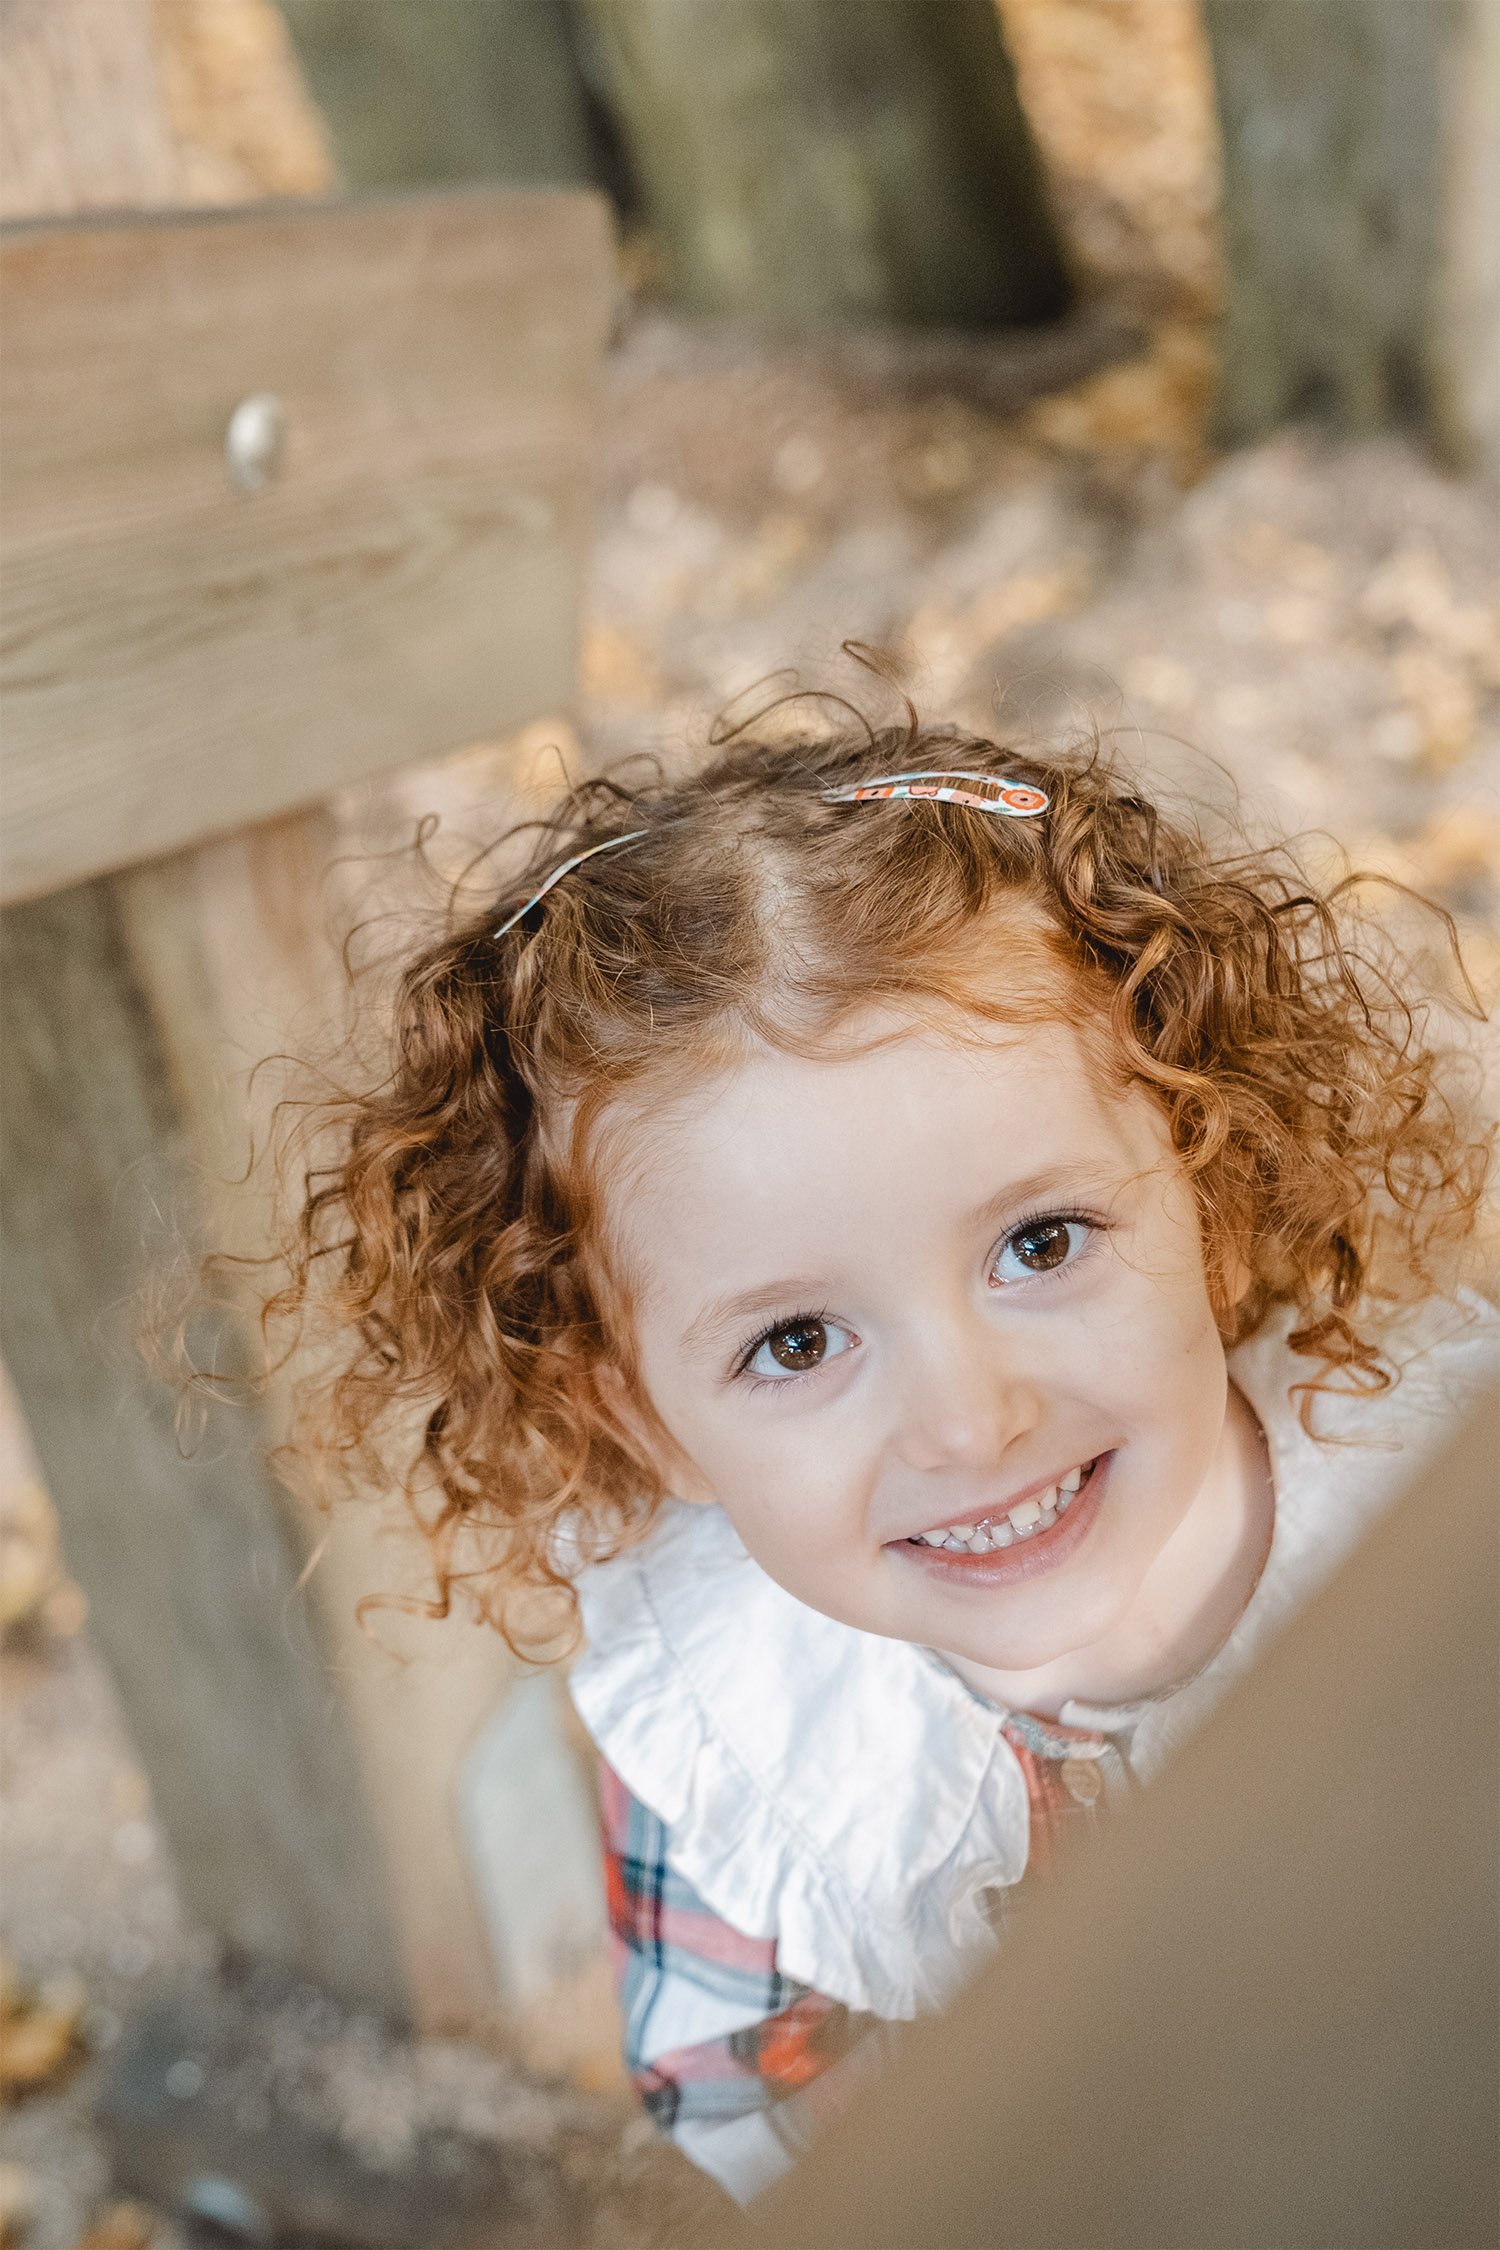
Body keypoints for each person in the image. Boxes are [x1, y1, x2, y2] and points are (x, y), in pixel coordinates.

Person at [272, 706, 1496, 2203]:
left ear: (1210, 1193)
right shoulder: (743, 1733)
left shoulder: (1434, 1507)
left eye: (1041, 1243)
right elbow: (746, 2090)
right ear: (645, 1420)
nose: (970, 1422)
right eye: (795, 1343)